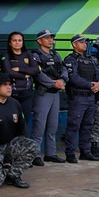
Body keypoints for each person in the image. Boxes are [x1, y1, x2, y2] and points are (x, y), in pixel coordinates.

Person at [31, 29, 68, 166]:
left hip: (55, 93)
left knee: (53, 125)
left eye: (51, 38)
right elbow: (38, 74)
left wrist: (63, 80)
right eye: (47, 38)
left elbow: (64, 69)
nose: (50, 40)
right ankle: (34, 155)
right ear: (39, 41)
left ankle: (50, 153)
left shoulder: (56, 55)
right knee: (39, 125)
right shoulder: (35, 55)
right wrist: (54, 83)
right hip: (43, 92)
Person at [63, 35, 99, 163]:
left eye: (85, 42)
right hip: (78, 97)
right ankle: (70, 153)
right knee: (74, 125)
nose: (84, 44)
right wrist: (91, 85)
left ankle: (85, 151)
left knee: (88, 125)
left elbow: (98, 74)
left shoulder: (91, 59)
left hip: (90, 97)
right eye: (81, 42)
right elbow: (73, 77)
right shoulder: (70, 59)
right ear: (74, 44)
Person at [1, 31, 39, 138]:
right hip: (12, 95)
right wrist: (25, 75)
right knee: (11, 122)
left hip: (27, 94)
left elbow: (35, 69)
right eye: (14, 40)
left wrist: (19, 69)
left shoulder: (28, 54)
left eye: (19, 40)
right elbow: (8, 72)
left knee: (24, 122)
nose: (17, 43)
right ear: (10, 42)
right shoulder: (6, 55)